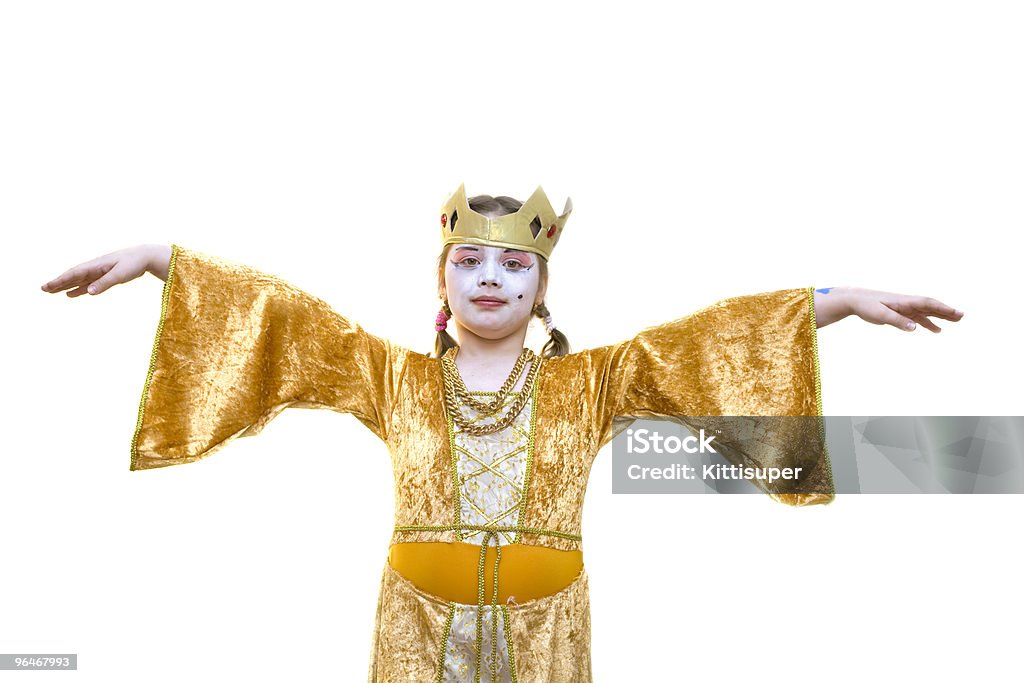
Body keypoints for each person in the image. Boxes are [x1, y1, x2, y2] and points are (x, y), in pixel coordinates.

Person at [40, 183, 964, 682]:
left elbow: (710, 340)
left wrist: (837, 301)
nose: (491, 277)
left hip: (549, 638)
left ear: (541, 286)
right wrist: (165, 261)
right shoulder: (389, 373)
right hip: (414, 635)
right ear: (441, 280)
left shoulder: (592, 380)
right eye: (469, 260)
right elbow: (286, 318)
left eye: (514, 262)